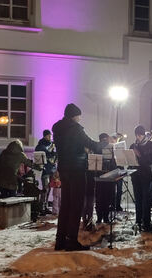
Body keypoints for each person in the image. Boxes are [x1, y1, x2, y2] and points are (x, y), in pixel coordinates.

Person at [52, 103, 101, 251]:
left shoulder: (58, 129)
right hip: (77, 170)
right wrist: (106, 144)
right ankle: (71, 240)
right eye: (79, 116)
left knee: (66, 205)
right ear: (74, 116)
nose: (80, 119)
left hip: (64, 169)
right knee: (76, 205)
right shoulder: (76, 129)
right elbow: (91, 144)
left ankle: (60, 240)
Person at [130, 125, 152, 231]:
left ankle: (146, 222)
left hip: (146, 175)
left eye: (140, 135)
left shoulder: (151, 145)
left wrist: (140, 155)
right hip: (135, 175)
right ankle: (138, 221)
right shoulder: (133, 145)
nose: (138, 137)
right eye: (136, 135)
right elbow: (130, 159)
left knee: (146, 199)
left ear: (143, 134)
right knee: (138, 199)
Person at [35, 129, 57, 214]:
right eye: (48, 135)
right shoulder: (41, 145)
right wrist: (51, 151)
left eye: (50, 135)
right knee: (45, 189)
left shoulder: (52, 145)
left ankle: (46, 206)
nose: (50, 137)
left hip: (52, 169)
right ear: (44, 136)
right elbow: (45, 152)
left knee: (49, 188)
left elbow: (54, 154)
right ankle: (42, 206)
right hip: (45, 170)